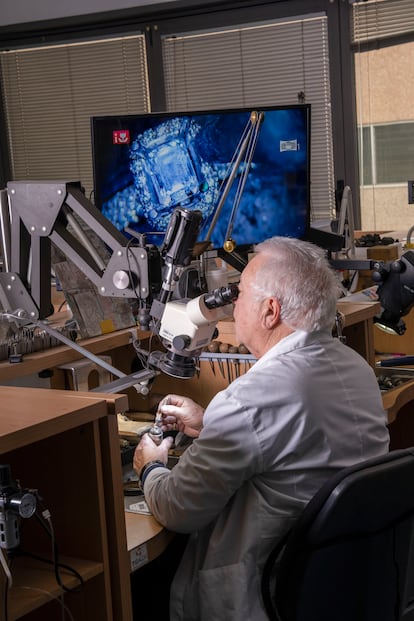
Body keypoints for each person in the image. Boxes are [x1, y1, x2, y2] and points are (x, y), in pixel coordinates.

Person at [133, 236, 389, 621]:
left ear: (270, 310)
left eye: (241, 294)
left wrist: (150, 466)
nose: (233, 304)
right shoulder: (356, 368)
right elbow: (296, 443)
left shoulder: (249, 399)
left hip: (263, 595)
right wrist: (210, 425)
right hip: (339, 590)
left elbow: (178, 508)